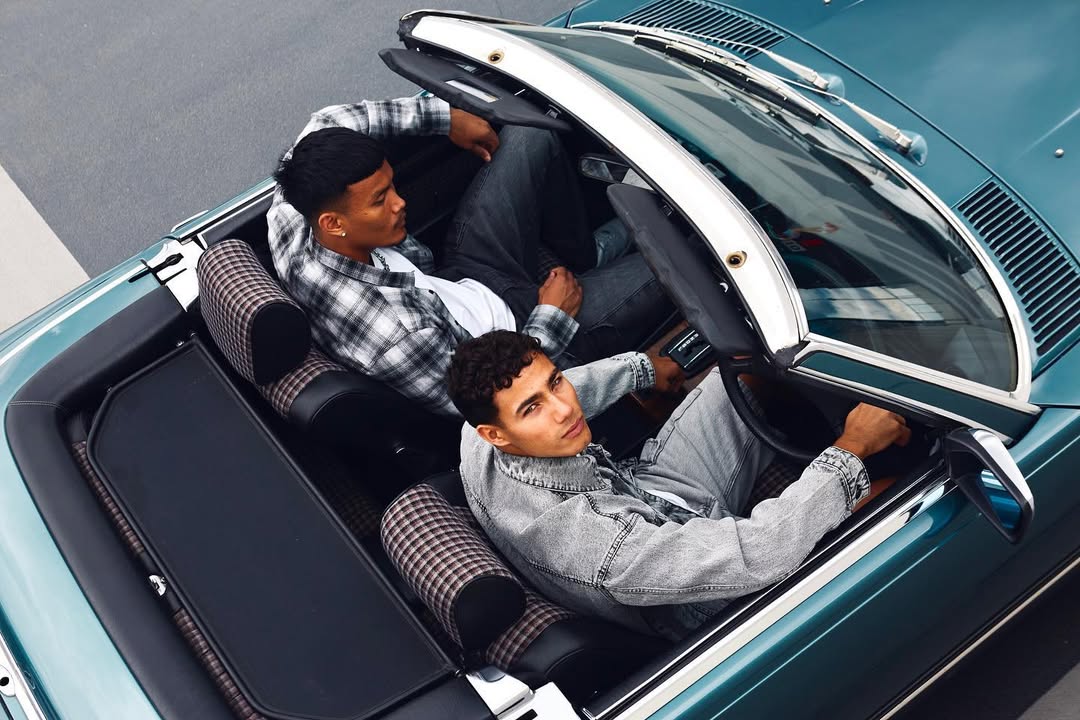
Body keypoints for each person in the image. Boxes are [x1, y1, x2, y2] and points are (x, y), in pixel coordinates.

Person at [447, 330, 910, 639]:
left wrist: (643, 368)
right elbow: (761, 551)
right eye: (533, 408)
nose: (564, 409)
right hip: (701, 592)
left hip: (645, 489)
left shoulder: (478, 439)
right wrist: (852, 446)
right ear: (496, 434)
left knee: (745, 369)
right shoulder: (600, 548)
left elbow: (558, 387)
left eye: (556, 383)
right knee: (893, 494)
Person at [268, 96, 671, 416]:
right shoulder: (397, 336)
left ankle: (586, 255)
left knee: (532, 133)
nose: (400, 202)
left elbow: (330, 120)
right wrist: (552, 316)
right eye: (380, 200)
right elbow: (495, 400)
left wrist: (447, 118)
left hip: (463, 275)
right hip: (517, 341)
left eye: (392, 185)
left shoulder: (295, 216)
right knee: (678, 261)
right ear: (334, 223)